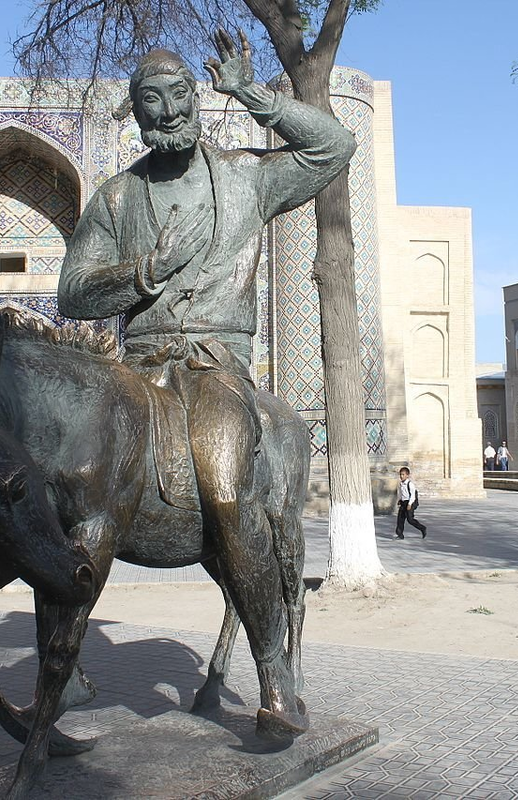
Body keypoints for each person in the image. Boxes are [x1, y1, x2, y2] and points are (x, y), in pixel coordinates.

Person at [59, 31, 354, 733]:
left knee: (225, 487)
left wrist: (253, 95)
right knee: (59, 487)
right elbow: (72, 289)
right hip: (136, 369)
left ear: (197, 100)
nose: (165, 115)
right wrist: (140, 275)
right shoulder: (118, 197)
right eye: (150, 104)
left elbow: (334, 148)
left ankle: (275, 677)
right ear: (136, 115)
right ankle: (61, 673)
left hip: (215, 368)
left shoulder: (247, 178)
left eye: (177, 98)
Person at [394, 467, 427, 540]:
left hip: (409, 503)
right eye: (400, 474)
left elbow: (413, 495)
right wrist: (399, 500)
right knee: (400, 519)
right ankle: (400, 534)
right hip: (403, 503)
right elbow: (400, 493)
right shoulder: (401, 484)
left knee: (410, 520)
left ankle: (422, 528)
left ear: (407, 475)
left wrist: (409, 504)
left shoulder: (410, 484)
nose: (401, 476)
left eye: (403, 474)